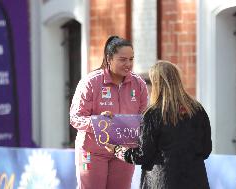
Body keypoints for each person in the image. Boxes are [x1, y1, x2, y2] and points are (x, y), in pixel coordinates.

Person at [105, 60, 212, 189]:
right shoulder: (197, 110)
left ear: (156, 84)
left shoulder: (153, 114)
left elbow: (143, 155)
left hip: (162, 182)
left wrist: (118, 150)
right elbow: (206, 150)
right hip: (196, 181)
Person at [69, 35, 148, 189]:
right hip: (92, 152)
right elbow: (75, 117)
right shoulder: (91, 82)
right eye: (123, 59)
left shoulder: (139, 85)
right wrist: (98, 122)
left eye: (131, 59)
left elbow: (144, 118)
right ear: (109, 59)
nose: (128, 64)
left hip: (124, 152)